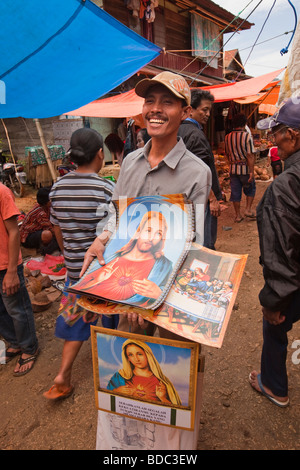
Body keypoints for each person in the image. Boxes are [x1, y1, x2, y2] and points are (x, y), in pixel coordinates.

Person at [81, 71, 211, 450]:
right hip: (129, 288)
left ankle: (174, 446)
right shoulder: (131, 163)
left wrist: (154, 296)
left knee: (172, 369)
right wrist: (102, 239)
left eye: (167, 102)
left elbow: (194, 243)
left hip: (166, 291)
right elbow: (119, 216)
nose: (155, 109)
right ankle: (132, 443)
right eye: (150, 101)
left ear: (184, 112)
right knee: (129, 367)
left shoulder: (196, 172)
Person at [43, 128, 115, 401]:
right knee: (108, 321)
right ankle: (112, 375)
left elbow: (58, 229)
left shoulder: (57, 189)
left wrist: (68, 254)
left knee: (75, 322)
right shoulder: (106, 187)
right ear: (100, 154)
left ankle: (63, 375)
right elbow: (114, 230)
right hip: (103, 272)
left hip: (75, 270)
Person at [249, 97, 300, 408]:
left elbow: (279, 253)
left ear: (292, 135)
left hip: (295, 281)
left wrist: (273, 300)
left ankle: (274, 386)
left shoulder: (284, 188)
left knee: (275, 323)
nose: (273, 140)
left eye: (276, 133)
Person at [77, 211, 172, 307]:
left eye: (158, 234)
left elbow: (175, 295)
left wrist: (158, 295)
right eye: (148, 230)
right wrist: (96, 280)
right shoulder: (112, 258)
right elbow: (81, 289)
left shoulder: (163, 267)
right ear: (139, 231)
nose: (151, 238)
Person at [0, 183, 39, 376]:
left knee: (17, 308)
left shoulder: (2, 192)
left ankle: (29, 347)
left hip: (6, 265)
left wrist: (12, 271)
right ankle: (14, 342)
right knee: (1, 310)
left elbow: (14, 231)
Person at [178, 89, 222, 250]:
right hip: (201, 199)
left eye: (209, 110)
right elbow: (200, 173)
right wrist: (212, 199)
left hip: (186, 197)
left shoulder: (178, 130)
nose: (208, 114)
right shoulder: (195, 135)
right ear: (191, 110)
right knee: (206, 245)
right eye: (204, 109)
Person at [107, 339, 181, 405]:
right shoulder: (120, 377)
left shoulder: (162, 382)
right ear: (127, 358)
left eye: (139, 354)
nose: (136, 359)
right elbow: (105, 399)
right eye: (131, 355)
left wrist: (163, 398)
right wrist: (116, 391)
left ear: (148, 355)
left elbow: (175, 413)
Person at [225, 113, 256, 223]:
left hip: (233, 169)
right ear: (244, 124)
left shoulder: (227, 137)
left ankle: (238, 215)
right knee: (250, 188)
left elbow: (227, 154)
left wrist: (231, 164)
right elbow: (250, 155)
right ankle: (247, 209)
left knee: (235, 192)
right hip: (245, 169)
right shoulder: (247, 136)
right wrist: (251, 171)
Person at [20, 187, 59, 255]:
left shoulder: (45, 207)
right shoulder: (41, 213)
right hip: (27, 238)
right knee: (48, 235)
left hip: (36, 231)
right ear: (46, 202)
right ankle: (43, 250)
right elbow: (51, 229)